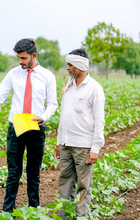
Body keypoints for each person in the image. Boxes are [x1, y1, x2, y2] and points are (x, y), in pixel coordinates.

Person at [0, 38, 58, 213]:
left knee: (33, 172)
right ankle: (8, 211)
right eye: (18, 58)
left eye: (23, 58)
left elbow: (53, 103)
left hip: (36, 127)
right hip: (16, 126)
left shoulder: (48, 76)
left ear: (34, 55)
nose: (20, 62)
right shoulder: (13, 74)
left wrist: (43, 117)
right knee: (13, 172)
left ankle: (33, 209)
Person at [54, 49, 105, 219]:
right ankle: (65, 216)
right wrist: (59, 141)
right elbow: (64, 116)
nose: (67, 68)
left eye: (70, 65)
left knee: (84, 186)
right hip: (66, 144)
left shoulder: (94, 89)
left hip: (83, 146)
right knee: (65, 183)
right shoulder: (68, 85)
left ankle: (81, 216)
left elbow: (99, 120)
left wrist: (95, 148)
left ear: (81, 65)